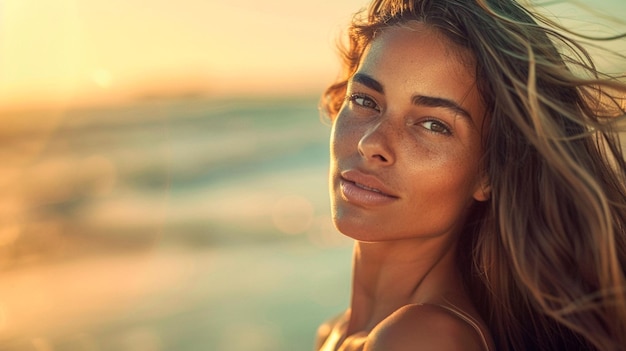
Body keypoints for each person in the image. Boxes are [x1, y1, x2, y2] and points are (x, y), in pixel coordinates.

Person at [315, 0, 626, 350]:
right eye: (366, 101)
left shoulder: (423, 339)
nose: (372, 143)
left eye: (433, 125)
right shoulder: (336, 333)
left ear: (488, 173)